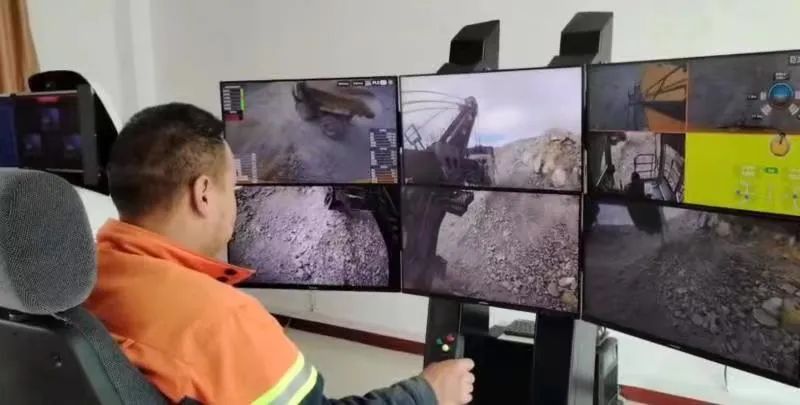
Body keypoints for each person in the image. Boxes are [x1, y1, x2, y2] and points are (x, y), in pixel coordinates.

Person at [84, 103, 475, 404]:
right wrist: (428, 392)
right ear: (203, 194)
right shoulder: (222, 319)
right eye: (232, 188)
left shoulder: (86, 276)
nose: (235, 202)